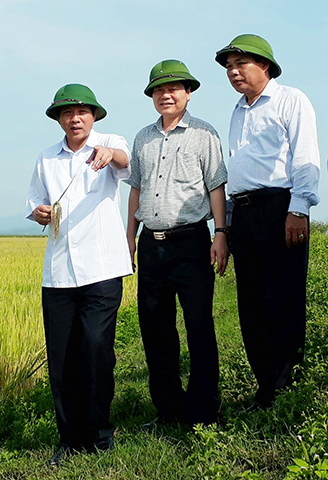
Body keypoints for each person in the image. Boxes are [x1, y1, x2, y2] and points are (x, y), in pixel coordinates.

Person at [26, 84, 133, 465]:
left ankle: (100, 435)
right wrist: (38, 211)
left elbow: (127, 163)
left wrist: (111, 154)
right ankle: (69, 438)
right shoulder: (46, 159)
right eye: (67, 114)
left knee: (96, 350)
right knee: (63, 358)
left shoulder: (108, 143)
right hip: (57, 274)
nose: (75, 119)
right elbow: (33, 199)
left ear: (94, 116)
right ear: (58, 119)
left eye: (83, 112)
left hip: (102, 270)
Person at [215, 34, 321, 409]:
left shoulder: (291, 100)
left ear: (265, 65)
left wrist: (298, 209)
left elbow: (306, 156)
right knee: (252, 302)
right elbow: (237, 170)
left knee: (283, 298)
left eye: (241, 63)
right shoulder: (238, 111)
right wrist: (226, 224)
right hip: (243, 213)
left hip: (280, 208)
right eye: (229, 66)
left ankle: (286, 388)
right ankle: (264, 388)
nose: (233, 71)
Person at [124, 60, 228, 426]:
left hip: (192, 243)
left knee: (199, 326)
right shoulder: (143, 138)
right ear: (152, 95)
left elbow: (216, 186)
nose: (165, 95)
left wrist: (220, 235)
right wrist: (130, 238)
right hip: (152, 244)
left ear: (188, 93)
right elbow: (135, 188)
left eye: (173, 89)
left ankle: (203, 411)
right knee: (155, 329)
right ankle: (168, 409)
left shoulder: (205, 134)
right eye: (158, 90)